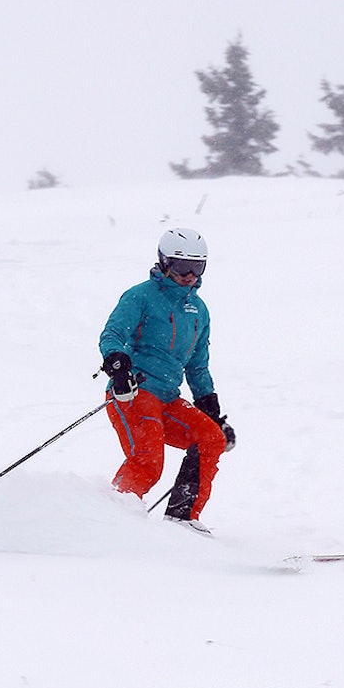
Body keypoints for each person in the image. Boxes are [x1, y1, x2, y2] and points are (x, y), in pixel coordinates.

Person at [98, 227, 236, 533]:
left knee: (211, 437)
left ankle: (181, 519)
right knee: (148, 461)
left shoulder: (198, 310)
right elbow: (113, 334)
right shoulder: (140, 297)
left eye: (197, 268)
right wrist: (118, 365)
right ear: (163, 263)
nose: (189, 275)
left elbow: (198, 366)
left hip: (167, 398)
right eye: (182, 267)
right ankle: (110, 522)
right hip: (134, 392)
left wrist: (210, 408)